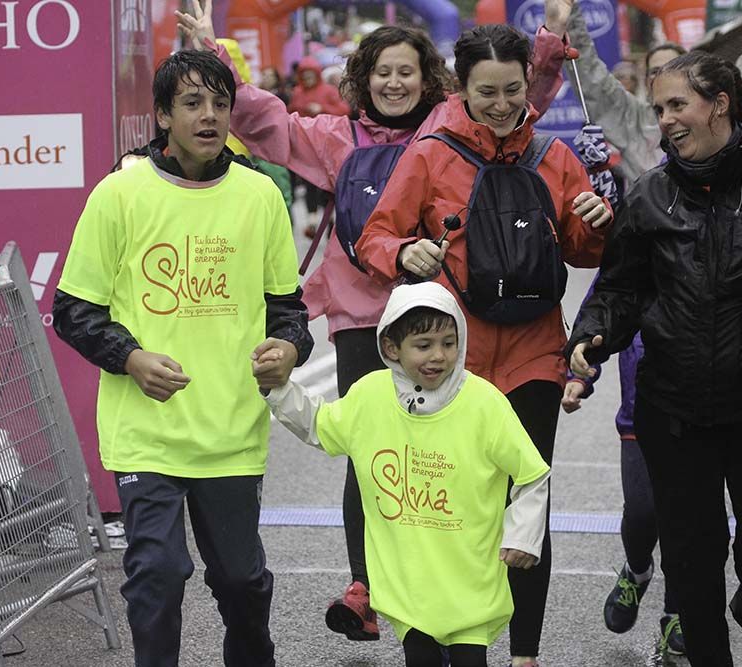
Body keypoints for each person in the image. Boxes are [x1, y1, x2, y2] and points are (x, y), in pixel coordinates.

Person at [175, 0, 570, 644]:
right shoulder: (334, 138)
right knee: (370, 452)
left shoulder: (452, 124)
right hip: (363, 316)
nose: (394, 83)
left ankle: (441, 584)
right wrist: (213, 53)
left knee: (442, 458)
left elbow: (521, 102)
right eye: (382, 72)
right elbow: (262, 119)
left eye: (407, 72)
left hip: (443, 313)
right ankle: (367, 586)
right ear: (363, 77)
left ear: (429, 79)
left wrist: (549, 40)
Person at [356, 24, 612, 667]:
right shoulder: (431, 151)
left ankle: (523, 655)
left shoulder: (554, 156)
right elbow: (374, 237)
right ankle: (438, 640)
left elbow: (582, 252)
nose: (502, 106)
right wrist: (403, 250)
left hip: (534, 357)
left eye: (514, 92)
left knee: (528, 504)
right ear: (461, 90)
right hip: (451, 365)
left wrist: (598, 225)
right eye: (487, 93)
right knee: (448, 511)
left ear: (530, 86)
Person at [566, 51, 742, 667]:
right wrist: (589, 342)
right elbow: (620, 288)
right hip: (676, 409)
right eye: (659, 109)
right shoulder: (650, 195)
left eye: (677, 105)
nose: (666, 121)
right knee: (691, 556)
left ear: (721, 105)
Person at [51, 49, 313, 667]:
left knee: (243, 585)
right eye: (192, 103)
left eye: (220, 103)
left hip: (230, 431)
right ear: (163, 115)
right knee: (160, 576)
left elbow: (289, 310)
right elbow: (73, 310)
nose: (210, 116)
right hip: (147, 434)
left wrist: (289, 349)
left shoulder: (260, 194)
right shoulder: (119, 193)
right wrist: (131, 358)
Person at [262, 281, 552, 667]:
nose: (439, 356)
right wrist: (279, 388)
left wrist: (524, 535)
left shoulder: (484, 404)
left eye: (449, 342)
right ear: (390, 347)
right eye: (424, 344)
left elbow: (532, 473)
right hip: (407, 589)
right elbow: (319, 423)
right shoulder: (370, 398)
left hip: (469, 584)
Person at [541, 0, 742, 185]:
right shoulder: (633, 120)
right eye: (655, 72)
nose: (663, 81)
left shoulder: (717, 112)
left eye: (675, 74)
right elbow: (588, 71)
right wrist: (568, 17)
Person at [560, 296, 684, 655]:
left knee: (687, 520)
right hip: (641, 412)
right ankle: (638, 571)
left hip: (703, 412)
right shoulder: (638, 242)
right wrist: (580, 374)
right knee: (643, 510)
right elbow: (607, 304)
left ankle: (677, 611)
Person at [287, 55, 351, 236]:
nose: (307, 79)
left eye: (310, 75)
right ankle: (313, 220)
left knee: (328, 181)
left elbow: (344, 110)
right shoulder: (297, 92)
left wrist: (322, 109)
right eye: (304, 76)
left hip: (327, 145)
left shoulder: (328, 90)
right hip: (305, 144)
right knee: (309, 182)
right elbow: (290, 113)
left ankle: (329, 217)